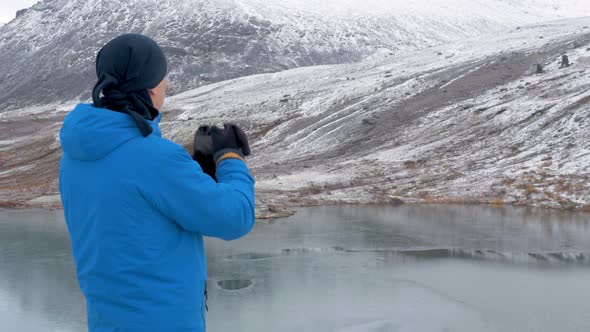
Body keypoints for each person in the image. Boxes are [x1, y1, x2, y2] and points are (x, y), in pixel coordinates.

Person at [58, 34, 255, 332]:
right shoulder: (155, 159)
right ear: (150, 87)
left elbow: (138, 214)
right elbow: (234, 218)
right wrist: (230, 158)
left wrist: (198, 170)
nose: (167, 86)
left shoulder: (75, 157)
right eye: (164, 78)